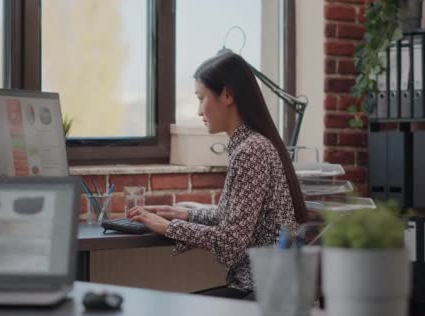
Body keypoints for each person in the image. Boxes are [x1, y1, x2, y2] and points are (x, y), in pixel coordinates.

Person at [127, 51, 308, 300]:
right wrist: (186, 214)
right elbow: (236, 220)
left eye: (201, 98)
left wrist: (168, 227)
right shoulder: (248, 145)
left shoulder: (251, 150)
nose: (199, 111)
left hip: (266, 293)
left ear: (228, 95)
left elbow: (230, 241)